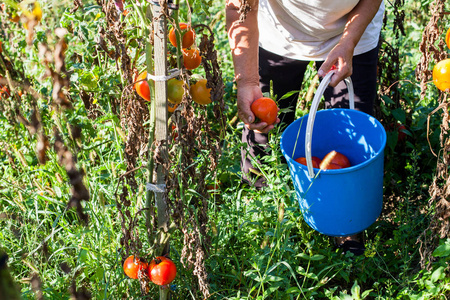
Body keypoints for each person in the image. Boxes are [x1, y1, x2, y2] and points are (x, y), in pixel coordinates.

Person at [226, 0, 385, 255]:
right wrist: (246, 81)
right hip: (279, 31)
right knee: (264, 129)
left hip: (353, 30)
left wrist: (349, 41)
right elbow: (239, 7)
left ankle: (346, 223)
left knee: (349, 135)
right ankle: (263, 213)